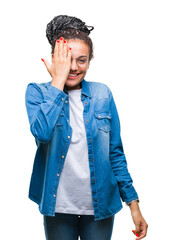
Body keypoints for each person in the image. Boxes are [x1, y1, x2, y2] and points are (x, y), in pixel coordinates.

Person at [25, 15, 148, 240]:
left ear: (90, 61)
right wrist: (57, 82)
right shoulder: (38, 93)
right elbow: (42, 133)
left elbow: (115, 152)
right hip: (58, 207)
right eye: (67, 60)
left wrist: (134, 204)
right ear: (54, 59)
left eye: (81, 60)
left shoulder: (103, 93)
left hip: (100, 207)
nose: (74, 67)